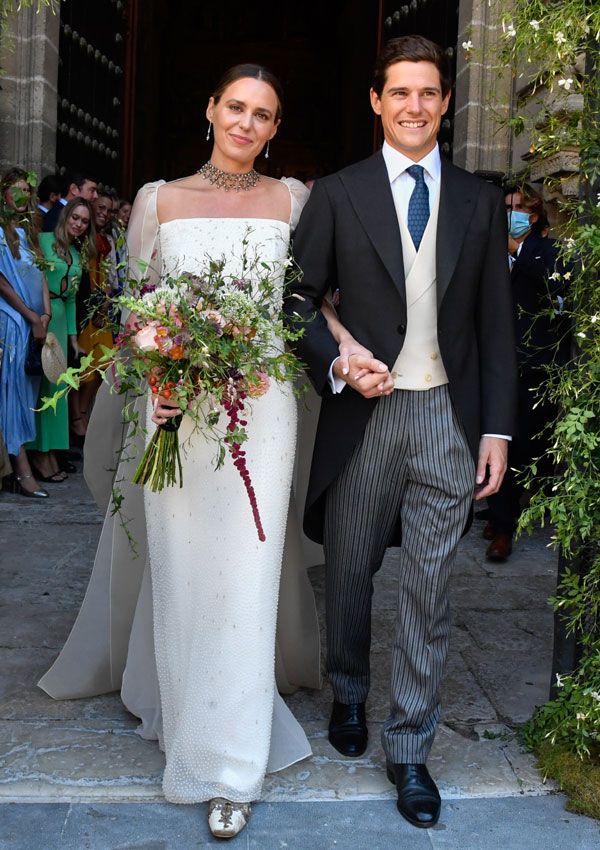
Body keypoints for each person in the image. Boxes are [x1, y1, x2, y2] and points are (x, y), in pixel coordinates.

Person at [38, 63, 353, 840]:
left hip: (262, 417)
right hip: (178, 413)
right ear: (210, 109)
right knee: (183, 574)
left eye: (265, 115)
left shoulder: (293, 202)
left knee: (246, 577)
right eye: (236, 107)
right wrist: (156, 376)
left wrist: (347, 350)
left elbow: (305, 305)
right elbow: (138, 305)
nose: (247, 123)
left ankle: (230, 767)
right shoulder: (157, 200)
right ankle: (191, 721)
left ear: (276, 129)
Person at [284, 35, 517, 829]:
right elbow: (293, 301)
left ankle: (409, 746)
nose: (415, 106)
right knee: (349, 569)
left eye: (430, 93)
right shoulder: (340, 194)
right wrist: (340, 363)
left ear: (446, 103)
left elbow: (495, 328)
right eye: (401, 92)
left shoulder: (482, 203)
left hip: (446, 417)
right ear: (377, 102)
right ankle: (348, 689)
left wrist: (497, 431)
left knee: (429, 585)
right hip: (366, 416)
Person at [484, 188, 567, 560]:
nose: (511, 214)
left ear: (533, 217)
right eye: (506, 208)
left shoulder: (545, 251)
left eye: (518, 209)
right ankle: (500, 522)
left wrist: (517, 249)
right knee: (496, 434)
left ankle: (515, 520)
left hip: (533, 364)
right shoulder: (488, 252)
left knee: (525, 444)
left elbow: (558, 286)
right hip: (493, 361)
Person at [27, 199, 95, 481]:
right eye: (75, 217)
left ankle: (52, 450)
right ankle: (39, 455)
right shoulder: (42, 241)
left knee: (57, 390)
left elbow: (70, 302)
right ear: (66, 216)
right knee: (41, 389)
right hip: (40, 320)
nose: (78, 224)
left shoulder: (78, 256)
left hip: (60, 321)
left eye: (84, 221)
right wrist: (35, 317)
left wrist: (74, 339)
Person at [0, 168, 50, 498]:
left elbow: (42, 277)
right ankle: (21, 472)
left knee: (29, 392)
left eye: (26, 192)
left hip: (34, 324)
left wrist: (44, 314)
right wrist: (30, 315)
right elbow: (2, 282)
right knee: (14, 393)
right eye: (15, 191)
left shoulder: (28, 232)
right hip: (13, 323)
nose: (22, 198)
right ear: (3, 194)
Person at [71, 192, 116, 436]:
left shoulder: (103, 239)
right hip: (85, 310)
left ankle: (84, 414)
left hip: (101, 308)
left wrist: (106, 305)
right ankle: (77, 420)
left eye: (108, 210)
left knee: (103, 365)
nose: (104, 213)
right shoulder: (83, 239)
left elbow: (107, 276)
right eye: (100, 207)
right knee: (84, 369)